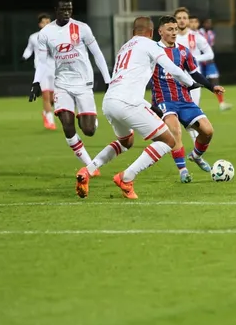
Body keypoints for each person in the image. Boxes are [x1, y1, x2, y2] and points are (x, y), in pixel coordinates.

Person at [76, 16, 201, 200]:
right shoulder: (150, 44)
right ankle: (126, 178)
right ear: (151, 32)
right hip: (128, 103)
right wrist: (191, 83)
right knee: (169, 141)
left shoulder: (124, 47)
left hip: (110, 101)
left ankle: (87, 170)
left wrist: (149, 106)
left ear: (133, 32)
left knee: (126, 142)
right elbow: (172, 68)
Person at [29, 0, 111, 173]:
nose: (67, 12)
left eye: (69, 9)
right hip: (62, 83)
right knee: (67, 124)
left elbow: (97, 54)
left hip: (83, 82)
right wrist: (36, 83)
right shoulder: (46, 33)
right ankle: (90, 165)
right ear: (55, 10)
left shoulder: (82, 28)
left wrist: (107, 79)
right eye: (63, 9)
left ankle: (90, 122)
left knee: (88, 130)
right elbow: (42, 61)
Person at [152, 15, 225, 183]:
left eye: (175, 29)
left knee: (208, 131)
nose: (174, 33)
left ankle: (196, 156)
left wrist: (211, 87)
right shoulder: (152, 50)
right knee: (175, 130)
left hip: (184, 99)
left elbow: (195, 74)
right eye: (170, 29)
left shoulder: (183, 51)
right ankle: (183, 170)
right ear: (160, 31)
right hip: (164, 100)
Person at [174, 7, 214, 141]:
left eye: (184, 18)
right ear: (175, 20)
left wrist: (195, 59)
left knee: (192, 111)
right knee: (175, 113)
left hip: (194, 79)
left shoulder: (195, 37)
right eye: (179, 18)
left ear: (188, 20)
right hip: (174, 80)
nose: (181, 21)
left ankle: (196, 143)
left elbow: (210, 54)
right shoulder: (170, 37)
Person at [22, 13, 54, 129]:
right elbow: (29, 49)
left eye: (48, 21)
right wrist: (24, 57)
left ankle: (46, 112)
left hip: (55, 69)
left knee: (53, 97)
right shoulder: (34, 37)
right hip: (42, 69)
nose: (46, 24)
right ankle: (50, 121)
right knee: (45, 95)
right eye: (44, 22)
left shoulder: (57, 35)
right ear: (40, 24)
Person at [198, 17, 232, 111]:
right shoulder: (198, 34)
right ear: (203, 23)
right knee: (196, 84)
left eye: (210, 23)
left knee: (215, 80)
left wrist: (210, 57)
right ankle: (196, 104)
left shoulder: (211, 34)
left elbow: (210, 47)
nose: (209, 24)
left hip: (209, 62)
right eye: (207, 23)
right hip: (199, 62)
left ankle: (222, 103)